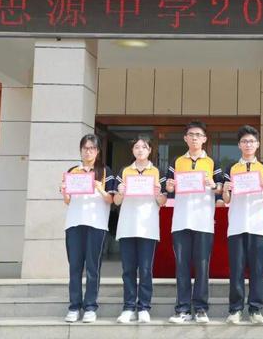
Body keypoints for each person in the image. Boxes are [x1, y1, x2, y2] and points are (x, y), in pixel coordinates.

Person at [165, 121, 222, 324]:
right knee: (182, 266)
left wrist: (213, 184)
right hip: (181, 220)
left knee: (202, 266)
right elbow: (168, 188)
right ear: (185, 138)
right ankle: (182, 309)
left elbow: (221, 189)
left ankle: (200, 309)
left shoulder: (213, 162)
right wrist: (170, 187)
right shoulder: (177, 161)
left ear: (205, 139)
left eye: (198, 135)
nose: (195, 138)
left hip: (204, 221)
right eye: (191, 134)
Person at [221, 125, 263, 324]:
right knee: (236, 269)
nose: (248, 144)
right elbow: (226, 199)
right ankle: (235, 310)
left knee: (258, 270)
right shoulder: (231, 168)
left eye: (251, 141)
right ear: (239, 145)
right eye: (244, 141)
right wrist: (225, 189)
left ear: (258, 144)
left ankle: (255, 309)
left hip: (259, 225)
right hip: (236, 224)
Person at [60, 134, 116, 323]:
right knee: (75, 267)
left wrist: (99, 187)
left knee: (93, 267)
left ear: (98, 151)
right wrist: (65, 192)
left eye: (92, 148)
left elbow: (111, 199)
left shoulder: (105, 171)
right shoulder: (72, 171)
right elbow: (68, 201)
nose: (88, 151)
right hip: (74, 223)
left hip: (96, 224)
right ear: (80, 150)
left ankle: (90, 306)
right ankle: (74, 306)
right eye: (85, 148)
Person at [113, 136, 166, 323]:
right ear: (132, 150)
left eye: (144, 147)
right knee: (128, 269)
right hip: (127, 226)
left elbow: (162, 201)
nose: (140, 150)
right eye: (136, 147)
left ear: (150, 150)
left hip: (148, 227)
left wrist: (158, 194)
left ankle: (144, 307)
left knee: (145, 269)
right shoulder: (125, 171)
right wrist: (120, 192)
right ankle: (128, 307)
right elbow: (116, 201)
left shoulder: (157, 171)